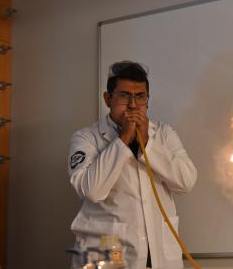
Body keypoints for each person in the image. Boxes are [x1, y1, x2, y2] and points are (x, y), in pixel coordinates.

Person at [68, 61, 197, 269]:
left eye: (140, 97)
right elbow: (91, 190)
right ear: (108, 99)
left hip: (158, 256)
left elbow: (187, 181)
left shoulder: (163, 134)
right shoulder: (86, 138)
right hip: (107, 255)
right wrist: (123, 139)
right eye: (124, 95)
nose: (133, 105)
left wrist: (148, 143)